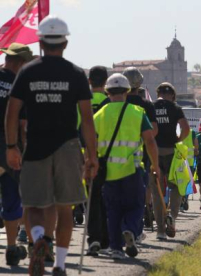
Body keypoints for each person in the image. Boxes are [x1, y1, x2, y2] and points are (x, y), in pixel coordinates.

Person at [5, 15, 98, 276]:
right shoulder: (76, 74)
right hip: (68, 147)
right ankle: (58, 264)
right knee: (64, 207)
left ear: (41, 42)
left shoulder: (27, 71)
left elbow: (12, 113)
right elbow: (88, 120)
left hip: (35, 147)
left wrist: (12, 146)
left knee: (33, 205)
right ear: (65, 43)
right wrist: (92, 155)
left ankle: (39, 237)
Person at [94, 73, 160, 260]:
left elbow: (91, 140)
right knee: (136, 205)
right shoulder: (138, 113)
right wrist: (155, 165)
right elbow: (150, 141)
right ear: (127, 91)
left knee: (112, 211)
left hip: (108, 173)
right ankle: (130, 229)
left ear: (107, 92)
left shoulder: (99, 114)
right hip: (132, 170)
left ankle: (116, 248)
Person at [0, 43, 33, 266]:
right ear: (21, 63)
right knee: (13, 199)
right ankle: (12, 248)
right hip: (8, 149)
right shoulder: (21, 86)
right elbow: (23, 125)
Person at [122, 67, 158, 243]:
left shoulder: (115, 102)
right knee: (139, 194)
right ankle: (136, 228)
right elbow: (154, 131)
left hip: (116, 154)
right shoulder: (147, 105)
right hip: (140, 155)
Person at [151, 82, 189, 240]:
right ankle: (172, 216)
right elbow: (185, 128)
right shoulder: (175, 108)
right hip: (172, 151)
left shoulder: (151, 106)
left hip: (154, 151)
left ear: (157, 93)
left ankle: (160, 230)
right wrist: (178, 140)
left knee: (157, 191)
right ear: (172, 95)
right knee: (177, 187)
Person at [85, 66, 110, 256]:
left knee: (91, 198)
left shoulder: (82, 102)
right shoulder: (111, 104)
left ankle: (94, 237)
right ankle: (107, 237)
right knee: (108, 198)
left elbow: (78, 129)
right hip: (109, 156)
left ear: (89, 81)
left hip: (87, 155)